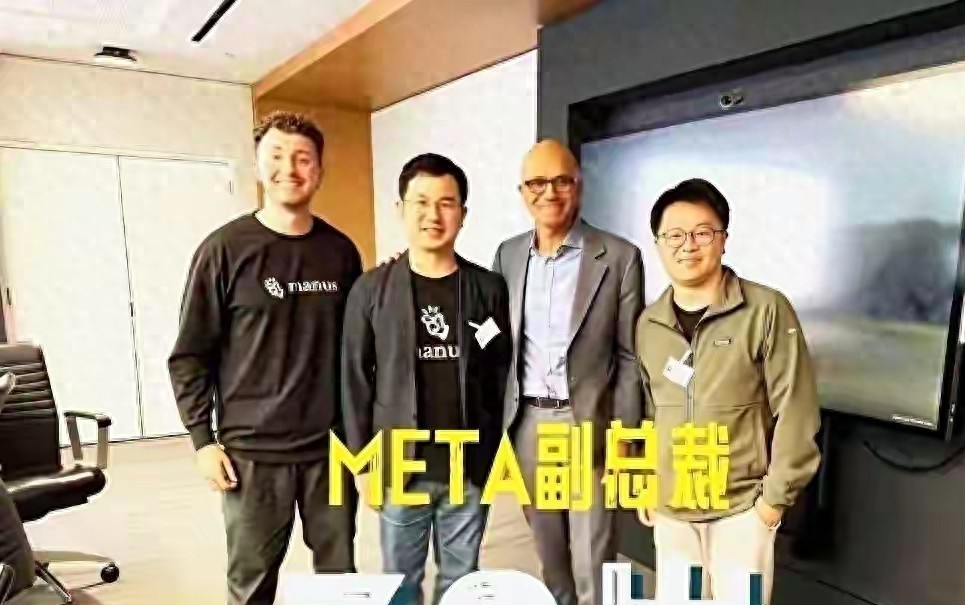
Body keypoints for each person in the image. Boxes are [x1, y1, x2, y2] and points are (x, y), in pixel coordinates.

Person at [168, 111, 364, 605]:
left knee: (339, 578)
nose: (289, 169)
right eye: (276, 156)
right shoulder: (223, 250)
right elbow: (190, 355)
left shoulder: (341, 252)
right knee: (251, 583)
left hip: (329, 453)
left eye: (303, 158)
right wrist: (202, 441)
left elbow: (356, 352)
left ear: (319, 169)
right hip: (251, 455)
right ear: (258, 165)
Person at [635, 178, 821, 605]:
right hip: (672, 508)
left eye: (702, 232)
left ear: (723, 239)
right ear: (658, 243)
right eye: (674, 235)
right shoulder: (649, 323)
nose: (688, 245)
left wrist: (771, 503)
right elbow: (648, 413)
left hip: (741, 508)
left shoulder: (766, 309)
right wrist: (644, 480)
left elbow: (797, 409)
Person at [340, 153, 512, 605]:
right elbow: (354, 380)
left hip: (467, 466)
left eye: (446, 203)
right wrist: (362, 464)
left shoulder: (488, 288)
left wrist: (494, 452)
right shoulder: (371, 289)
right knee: (400, 582)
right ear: (400, 209)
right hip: (400, 466)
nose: (433, 215)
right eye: (420, 202)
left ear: (463, 214)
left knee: (462, 579)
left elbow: (499, 372)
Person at [490, 139, 644, 605]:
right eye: (537, 183)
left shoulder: (618, 256)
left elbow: (629, 356)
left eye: (561, 181)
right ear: (522, 192)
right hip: (528, 424)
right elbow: (492, 336)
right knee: (550, 553)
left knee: (594, 558)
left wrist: (626, 434)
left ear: (579, 185)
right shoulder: (508, 255)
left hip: (590, 424)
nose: (549, 192)